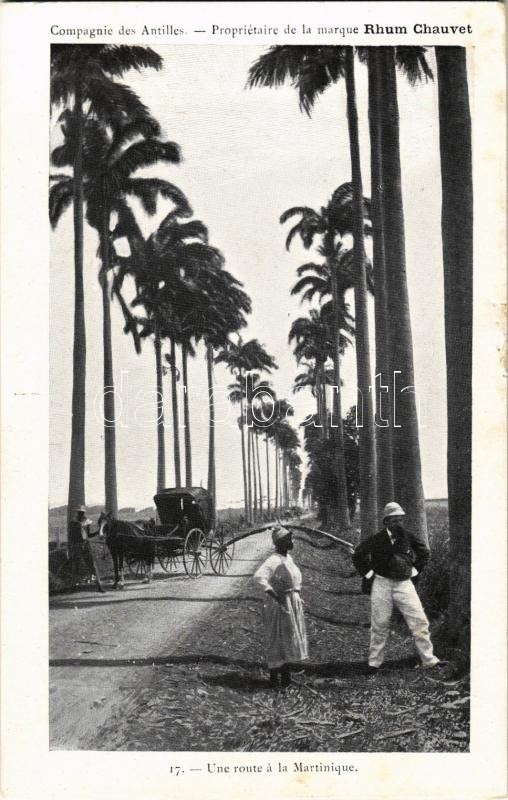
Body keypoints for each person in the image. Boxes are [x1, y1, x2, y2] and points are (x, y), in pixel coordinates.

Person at [352, 502, 441, 675]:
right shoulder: (376, 539)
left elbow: (425, 553)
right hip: (381, 584)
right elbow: (358, 555)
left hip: (404, 584)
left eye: (401, 520)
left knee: (419, 621)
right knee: (380, 623)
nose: (398, 524)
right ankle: (374, 663)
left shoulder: (408, 537)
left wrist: (415, 570)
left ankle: (429, 659)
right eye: (394, 521)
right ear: (386, 522)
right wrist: (369, 574)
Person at [253, 525, 308, 688]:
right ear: (280, 543)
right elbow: (259, 577)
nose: (291, 541)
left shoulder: (287, 558)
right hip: (279, 604)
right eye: (288, 539)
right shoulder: (273, 560)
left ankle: (285, 675)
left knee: (287, 638)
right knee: (277, 638)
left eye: (290, 538)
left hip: (290, 601)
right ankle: (274, 678)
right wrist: (275, 595)